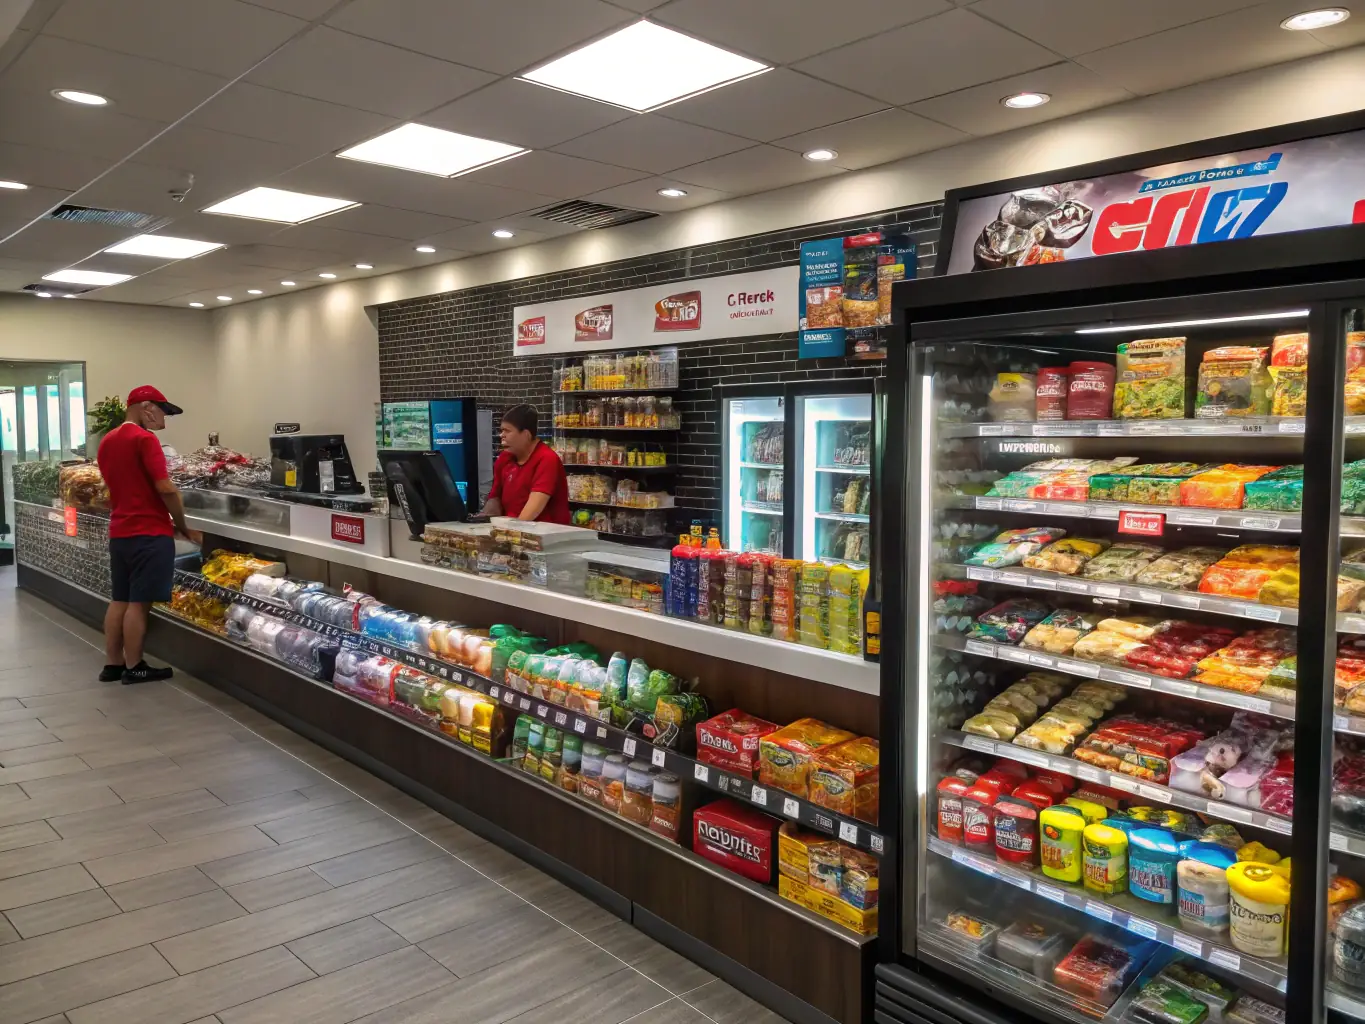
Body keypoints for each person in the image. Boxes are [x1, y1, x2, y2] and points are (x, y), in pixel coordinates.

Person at [97, 386, 202, 684]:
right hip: (148, 534)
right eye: (162, 410)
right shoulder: (145, 439)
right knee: (139, 604)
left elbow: (119, 489)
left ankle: (113, 664)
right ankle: (135, 666)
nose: (163, 419)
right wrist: (181, 526)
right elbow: (165, 487)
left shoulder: (107, 441)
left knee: (120, 598)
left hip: (120, 533)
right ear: (146, 406)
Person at [479, 404, 571, 524]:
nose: (501, 435)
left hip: (545, 535)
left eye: (507, 431)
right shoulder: (505, 458)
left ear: (526, 435)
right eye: (502, 430)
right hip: (513, 531)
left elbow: (530, 514)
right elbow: (495, 498)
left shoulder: (547, 459)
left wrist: (511, 533)